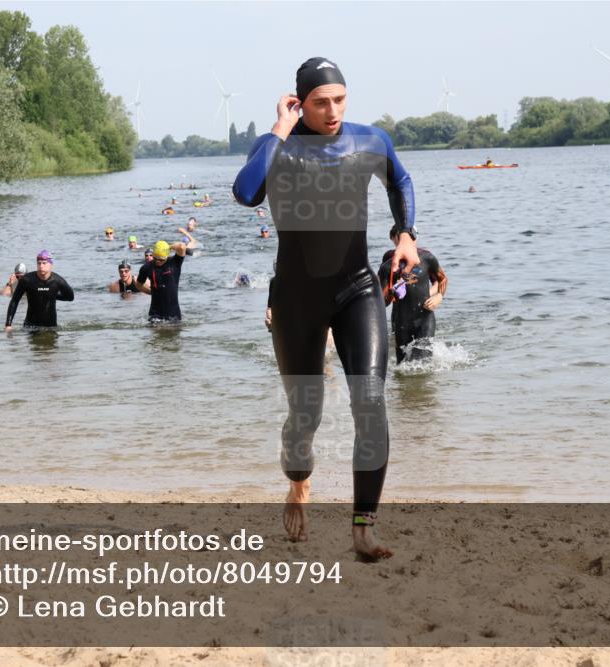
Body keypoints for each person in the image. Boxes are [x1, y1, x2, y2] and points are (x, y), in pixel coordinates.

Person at [233, 56, 418, 560]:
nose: (332, 110)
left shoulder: (369, 140)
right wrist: (278, 128)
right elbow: (246, 192)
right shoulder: (279, 148)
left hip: (357, 289)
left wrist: (405, 234)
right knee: (304, 415)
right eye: (320, 102)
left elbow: (400, 182)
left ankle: (363, 527)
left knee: (371, 401)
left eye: (339, 99)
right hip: (295, 298)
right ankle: (298, 484)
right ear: (299, 102)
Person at [378, 227, 447, 364]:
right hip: (401, 320)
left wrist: (439, 296)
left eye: (412, 238)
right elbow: (382, 300)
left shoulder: (427, 258)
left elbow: (442, 279)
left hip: (424, 318)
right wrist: (391, 292)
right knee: (403, 367)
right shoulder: (388, 264)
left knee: (422, 363)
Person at [4, 250, 75, 331]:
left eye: (44, 263)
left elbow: (70, 297)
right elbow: (14, 301)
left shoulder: (58, 281)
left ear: (51, 264)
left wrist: (53, 295)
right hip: (30, 326)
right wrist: (8, 324)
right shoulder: (26, 280)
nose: (41, 266)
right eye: (39, 263)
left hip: (51, 327)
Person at [136, 240, 186, 322]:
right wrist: (150, 292)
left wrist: (168, 247)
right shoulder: (147, 267)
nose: (158, 261)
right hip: (155, 312)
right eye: (155, 259)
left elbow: (182, 246)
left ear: (167, 256)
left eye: (161, 259)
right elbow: (138, 284)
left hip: (173, 312)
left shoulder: (175, 263)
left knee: (175, 334)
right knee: (155, 334)